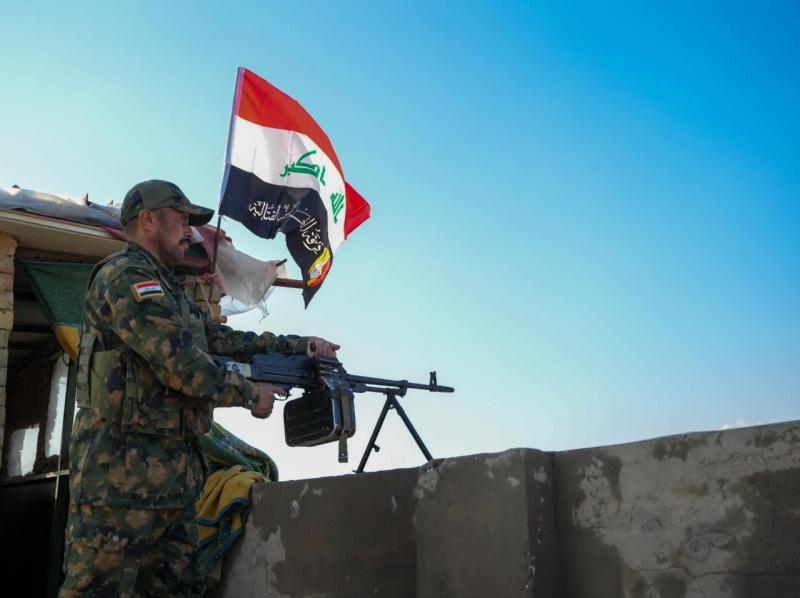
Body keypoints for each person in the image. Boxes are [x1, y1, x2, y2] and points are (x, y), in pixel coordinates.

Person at [58, 180, 339, 597]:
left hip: (172, 487)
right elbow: (180, 363)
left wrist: (299, 347)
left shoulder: (170, 290)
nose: (189, 231)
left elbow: (221, 339)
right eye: (182, 219)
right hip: (118, 485)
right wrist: (248, 393)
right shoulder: (125, 277)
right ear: (148, 220)